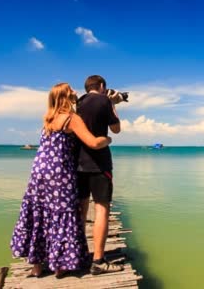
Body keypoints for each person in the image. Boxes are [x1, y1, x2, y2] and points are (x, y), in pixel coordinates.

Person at [10, 82, 112, 278]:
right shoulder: (71, 119)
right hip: (59, 173)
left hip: (39, 172)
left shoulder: (49, 118)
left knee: (40, 215)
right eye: (71, 90)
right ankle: (60, 265)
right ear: (66, 96)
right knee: (62, 215)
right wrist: (107, 140)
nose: (75, 92)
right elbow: (92, 142)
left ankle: (37, 266)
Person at [76, 75, 124, 275]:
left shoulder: (78, 102)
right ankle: (98, 260)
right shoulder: (105, 100)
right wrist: (113, 104)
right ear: (102, 86)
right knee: (101, 210)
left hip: (77, 164)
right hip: (100, 164)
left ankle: (77, 253)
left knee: (81, 209)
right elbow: (116, 129)